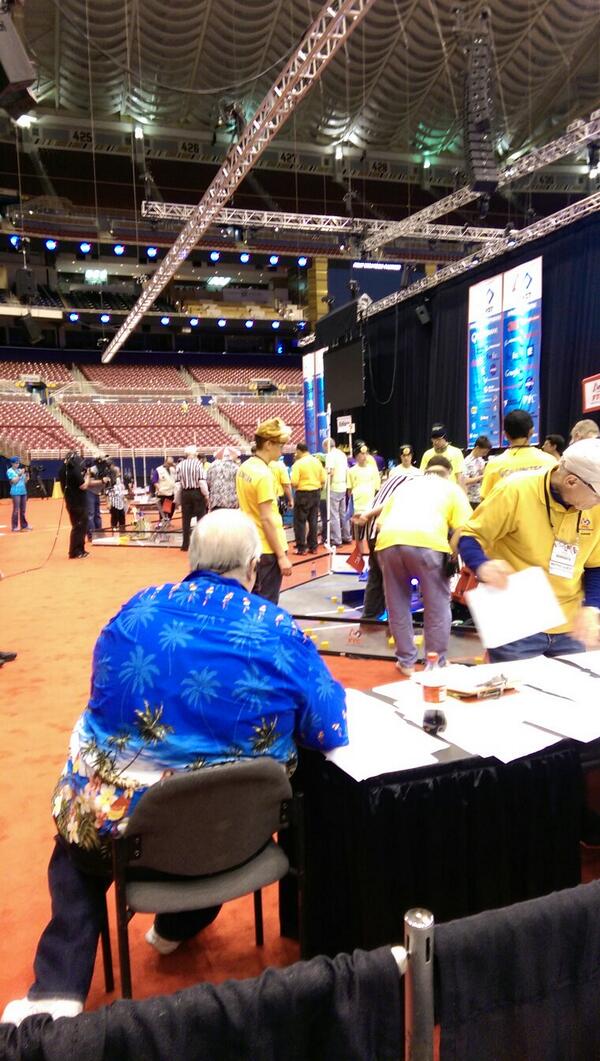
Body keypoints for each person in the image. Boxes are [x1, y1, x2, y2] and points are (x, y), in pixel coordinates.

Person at [1, 510, 348, 1027]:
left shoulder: (134, 613)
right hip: (240, 831)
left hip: (127, 832)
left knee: (76, 849)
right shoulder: (278, 628)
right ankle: (178, 924)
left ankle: (57, 989)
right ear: (253, 567)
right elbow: (329, 726)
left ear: (191, 560)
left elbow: (102, 707)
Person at [457, 439, 600, 662]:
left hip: (570, 625)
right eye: (597, 495)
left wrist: (592, 606)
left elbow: (595, 565)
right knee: (514, 685)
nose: (598, 501)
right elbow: (469, 536)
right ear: (571, 481)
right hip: (515, 620)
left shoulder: (594, 508)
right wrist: (482, 565)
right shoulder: (515, 490)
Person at [375, 455, 473, 675]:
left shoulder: (406, 486)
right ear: (449, 473)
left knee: (397, 604)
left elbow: (380, 524)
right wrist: (452, 553)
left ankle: (406, 662)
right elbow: (463, 527)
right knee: (437, 605)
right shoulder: (453, 489)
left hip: (389, 542)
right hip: (429, 544)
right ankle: (436, 662)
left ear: (426, 470)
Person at [236, 417, 293, 604]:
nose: (282, 450)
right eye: (280, 445)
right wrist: (281, 556)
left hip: (251, 544)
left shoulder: (245, 467)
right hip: (267, 549)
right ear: (268, 444)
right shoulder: (264, 475)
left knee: (252, 600)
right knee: (266, 604)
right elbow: (267, 519)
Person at [480, 409, 557, 500]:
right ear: (532, 431)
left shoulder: (494, 465)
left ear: (505, 435)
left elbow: (485, 500)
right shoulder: (550, 461)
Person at [290, 442, 326, 555]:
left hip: (303, 493)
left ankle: (301, 547)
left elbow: (294, 481)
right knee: (313, 520)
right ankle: (313, 547)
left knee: (300, 522)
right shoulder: (317, 461)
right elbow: (323, 479)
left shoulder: (298, 464)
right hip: (316, 492)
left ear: (299, 451)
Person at [347, 446, 381, 564]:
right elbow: (349, 490)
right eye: (361, 454)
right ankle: (360, 561)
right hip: (357, 505)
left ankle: (373, 561)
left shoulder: (373, 469)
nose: (364, 456)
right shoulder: (351, 471)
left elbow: (377, 488)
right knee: (359, 537)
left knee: (372, 535)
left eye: (366, 453)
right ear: (356, 456)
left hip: (371, 506)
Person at [176, 444, 209, 552]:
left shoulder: (180, 465)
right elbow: (202, 481)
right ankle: (200, 545)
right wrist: (206, 495)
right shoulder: (198, 464)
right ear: (194, 454)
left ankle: (185, 544)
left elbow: (177, 484)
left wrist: (177, 499)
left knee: (186, 520)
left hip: (185, 493)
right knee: (201, 519)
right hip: (197, 492)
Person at [59, 452, 91, 559]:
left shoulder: (62, 470)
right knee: (79, 527)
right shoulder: (74, 470)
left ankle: (80, 549)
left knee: (78, 526)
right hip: (78, 503)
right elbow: (83, 486)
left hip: (71, 502)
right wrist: (88, 476)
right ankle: (75, 551)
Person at [323, 438, 351, 546]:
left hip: (334, 487)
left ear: (326, 446)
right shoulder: (342, 454)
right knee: (343, 513)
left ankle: (337, 539)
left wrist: (326, 487)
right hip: (343, 486)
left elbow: (331, 472)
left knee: (334, 515)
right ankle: (347, 536)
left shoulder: (330, 456)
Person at [206, 446, 240, 511]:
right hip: (231, 501)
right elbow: (238, 484)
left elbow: (208, 482)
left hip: (215, 501)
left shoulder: (212, 466)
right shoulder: (236, 467)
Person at [462, 435, 492, 508]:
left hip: (481, 497)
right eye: (484, 452)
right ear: (477, 448)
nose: (485, 454)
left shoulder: (480, 459)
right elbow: (464, 481)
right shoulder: (467, 462)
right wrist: (481, 477)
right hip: (471, 499)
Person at [7, 456, 30, 532]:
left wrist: (27, 475)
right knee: (16, 510)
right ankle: (14, 526)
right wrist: (20, 474)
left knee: (23, 510)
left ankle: (24, 525)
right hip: (15, 492)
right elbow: (14, 481)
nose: (18, 464)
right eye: (16, 463)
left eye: (18, 463)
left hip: (23, 492)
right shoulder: (9, 471)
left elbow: (25, 481)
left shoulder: (19, 470)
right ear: (12, 463)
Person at [155, 456, 177, 527]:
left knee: (171, 509)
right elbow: (154, 481)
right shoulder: (158, 470)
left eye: (171, 463)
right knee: (164, 511)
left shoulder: (173, 469)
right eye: (169, 463)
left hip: (172, 493)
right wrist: (160, 489)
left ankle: (168, 522)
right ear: (165, 462)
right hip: (163, 494)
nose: (170, 465)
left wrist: (175, 466)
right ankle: (162, 524)